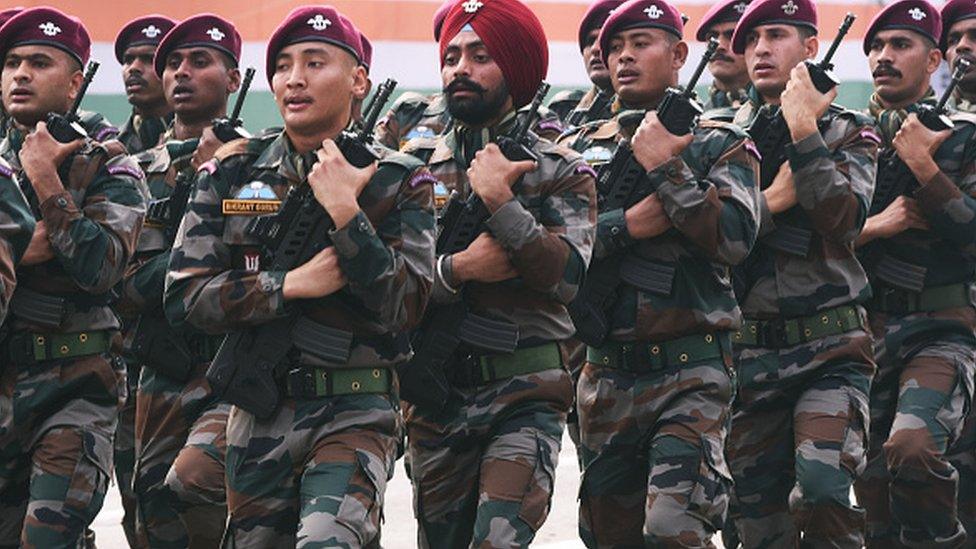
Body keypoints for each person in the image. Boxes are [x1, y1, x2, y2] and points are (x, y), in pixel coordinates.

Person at [164, 5, 437, 546]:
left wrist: (347, 215)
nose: (294, 78)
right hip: (257, 411)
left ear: (358, 80)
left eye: (315, 63)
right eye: (284, 65)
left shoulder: (398, 180)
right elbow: (184, 298)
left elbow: (408, 306)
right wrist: (287, 285)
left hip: (356, 408)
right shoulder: (234, 172)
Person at [561, 0, 760, 544]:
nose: (623, 57)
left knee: (674, 530)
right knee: (609, 534)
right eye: (614, 48)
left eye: (640, 44)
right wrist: (626, 226)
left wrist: (667, 168)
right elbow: (552, 249)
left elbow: (737, 239)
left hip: (690, 371)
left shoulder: (720, 141)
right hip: (604, 376)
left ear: (677, 55)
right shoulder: (577, 149)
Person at [400, 0, 597, 546]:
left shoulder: (561, 170)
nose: (460, 68)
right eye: (452, 56)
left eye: (481, 55)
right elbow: (392, 282)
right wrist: (456, 270)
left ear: (515, 69)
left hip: (524, 394)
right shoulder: (412, 171)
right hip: (436, 396)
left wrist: (501, 202)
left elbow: (568, 279)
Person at [724, 0, 882, 546]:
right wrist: (771, 201)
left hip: (830, 352)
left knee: (822, 488)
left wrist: (802, 127)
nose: (761, 49)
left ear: (811, 49)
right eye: (751, 41)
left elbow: (843, 218)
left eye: (775, 35)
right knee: (756, 521)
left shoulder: (850, 131)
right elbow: (711, 237)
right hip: (747, 357)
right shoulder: (718, 137)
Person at [0, 7, 147, 546]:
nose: (20, 74)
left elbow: (102, 268)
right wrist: (25, 246)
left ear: (74, 82)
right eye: (11, 62)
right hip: (4, 381)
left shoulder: (108, 161)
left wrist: (44, 179)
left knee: (47, 537)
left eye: (39, 63)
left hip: (76, 389)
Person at [853, 1, 976, 546]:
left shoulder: (964, 137)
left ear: (934, 60)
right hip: (862, 334)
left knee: (913, 448)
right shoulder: (849, 140)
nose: (884, 57)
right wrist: (875, 225)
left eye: (900, 46)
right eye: (877, 48)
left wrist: (925, 166)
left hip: (941, 329)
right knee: (872, 487)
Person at [120, 13, 245, 548]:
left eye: (200, 61)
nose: (181, 74)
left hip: (229, 370)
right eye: (172, 63)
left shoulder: (258, 164)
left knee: (210, 500)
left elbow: (256, 269)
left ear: (234, 80)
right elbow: (120, 285)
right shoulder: (133, 171)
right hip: (158, 374)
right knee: (150, 518)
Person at [547, 0, 623, 125]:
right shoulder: (564, 107)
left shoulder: (654, 112)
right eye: (590, 41)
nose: (595, 48)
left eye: (607, 40)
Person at [114, 15, 176, 155]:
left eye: (149, 59)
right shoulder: (111, 145)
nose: (133, 68)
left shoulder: (205, 140)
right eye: (128, 60)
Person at [697, 0, 752, 120]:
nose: (719, 45)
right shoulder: (695, 117)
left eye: (732, 36)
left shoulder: (780, 111)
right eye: (712, 37)